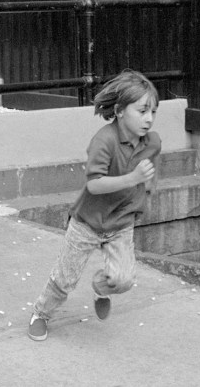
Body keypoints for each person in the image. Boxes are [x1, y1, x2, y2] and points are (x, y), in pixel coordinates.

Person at [28, 70, 162, 341]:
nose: (149, 118)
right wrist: (133, 178)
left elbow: (151, 170)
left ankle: (100, 288)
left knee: (123, 280)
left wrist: (147, 188)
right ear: (120, 111)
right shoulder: (105, 140)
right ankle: (40, 314)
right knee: (65, 280)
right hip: (87, 222)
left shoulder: (152, 142)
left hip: (121, 223)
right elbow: (94, 185)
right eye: (142, 110)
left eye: (153, 112)